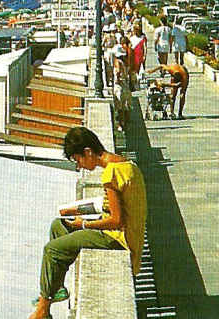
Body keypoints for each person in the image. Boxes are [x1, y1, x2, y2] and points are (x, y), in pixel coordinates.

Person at [28, 127, 147, 319]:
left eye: (78, 160)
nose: (80, 166)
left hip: (118, 238)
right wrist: (76, 211)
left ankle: (44, 306)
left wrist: (83, 224)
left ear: (88, 152)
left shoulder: (111, 174)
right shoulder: (126, 164)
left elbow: (116, 220)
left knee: (52, 250)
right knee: (58, 225)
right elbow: (109, 206)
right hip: (123, 233)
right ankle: (57, 288)